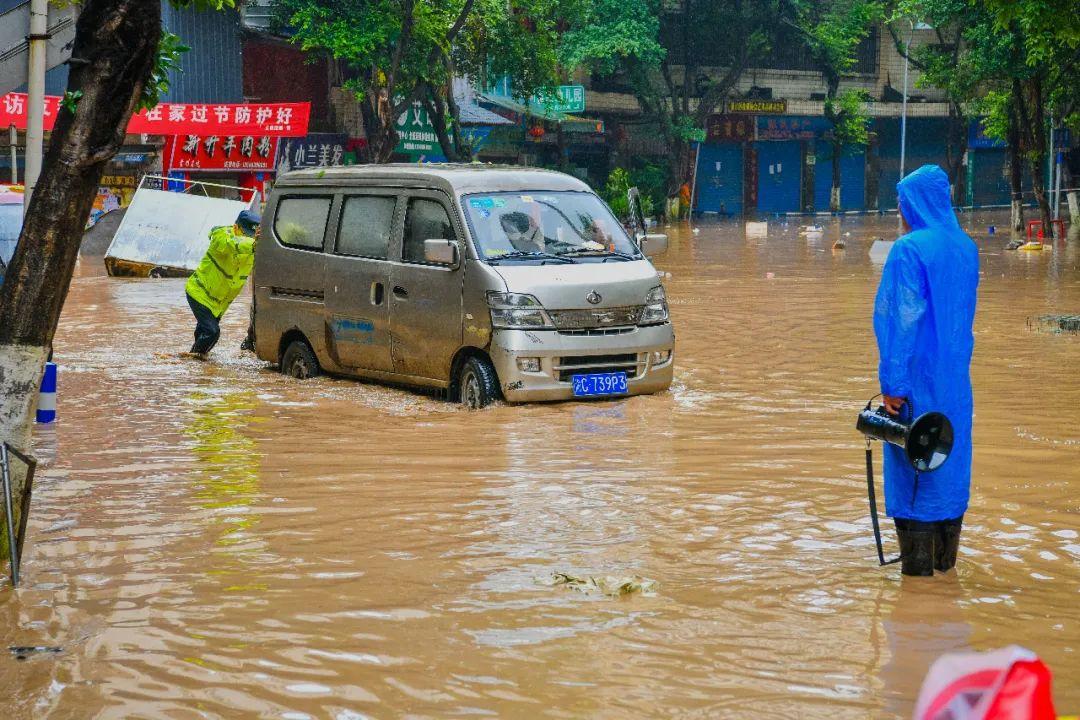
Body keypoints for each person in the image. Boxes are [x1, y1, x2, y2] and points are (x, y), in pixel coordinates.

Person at [873, 164, 979, 577]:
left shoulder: (910, 249)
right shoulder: (966, 248)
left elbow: (900, 320)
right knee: (949, 463)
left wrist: (893, 385)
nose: (899, 211)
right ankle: (945, 570)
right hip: (955, 385)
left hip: (917, 383)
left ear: (915, 203)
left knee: (915, 469)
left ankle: (917, 587)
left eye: (901, 202)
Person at [184, 209, 260, 360]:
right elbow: (232, 244)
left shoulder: (255, 245)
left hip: (219, 303)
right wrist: (254, 243)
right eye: (246, 234)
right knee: (212, 332)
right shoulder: (222, 235)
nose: (248, 238)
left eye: (251, 236)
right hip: (199, 294)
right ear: (236, 227)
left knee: (204, 334)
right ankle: (193, 359)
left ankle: (195, 363)